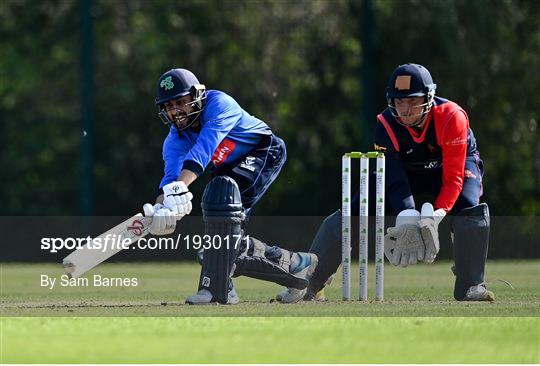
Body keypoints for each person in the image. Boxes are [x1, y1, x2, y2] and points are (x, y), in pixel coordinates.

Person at [276, 63, 493, 303]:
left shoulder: (452, 116)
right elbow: (394, 178)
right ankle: (309, 282)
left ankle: (472, 284)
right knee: (355, 209)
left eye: (412, 101)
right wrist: (407, 215)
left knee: (469, 205)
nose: (405, 110)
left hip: (453, 167)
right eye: (399, 102)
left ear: (429, 97)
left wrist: (435, 216)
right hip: (406, 171)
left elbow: (453, 179)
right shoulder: (386, 123)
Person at [143, 68, 317, 305]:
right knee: (225, 239)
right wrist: (159, 209)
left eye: (180, 101)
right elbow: (170, 180)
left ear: (197, 95)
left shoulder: (219, 103)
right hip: (228, 168)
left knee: (224, 221)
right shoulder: (174, 140)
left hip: (263, 150)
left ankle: (220, 282)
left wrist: (179, 190)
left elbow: (203, 150)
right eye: (169, 106)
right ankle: (297, 266)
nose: (175, 111)